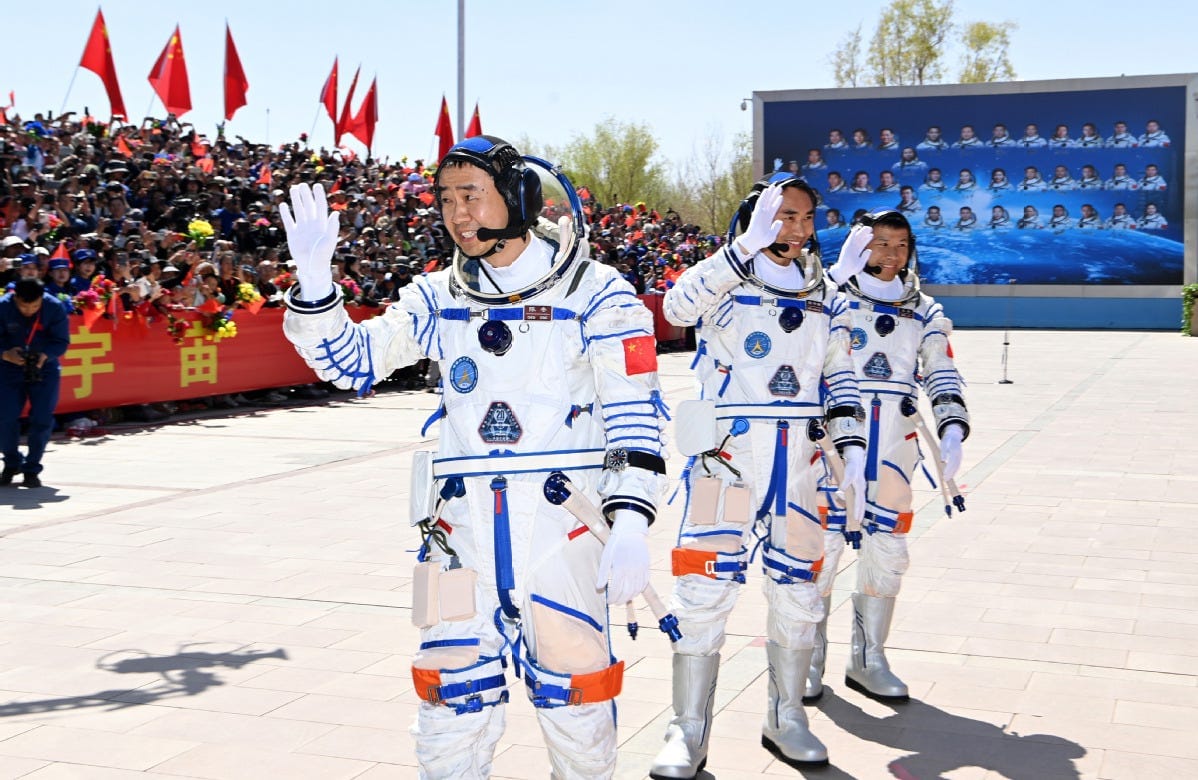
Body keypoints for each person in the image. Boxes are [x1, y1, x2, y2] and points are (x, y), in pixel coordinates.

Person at [280, 135, 667, 779]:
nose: (458, 214)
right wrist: (317, 285)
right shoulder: (437, 297)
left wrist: (630, 521)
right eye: (446, 199)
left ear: (517, 198)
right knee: (447, 716)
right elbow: (351, 363)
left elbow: (634, 411)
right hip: (459, 539)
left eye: (472, 196)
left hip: (561, 531)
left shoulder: (597, 293)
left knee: (578, 715)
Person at [650, 174, 866, 775]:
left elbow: (840, 373)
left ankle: (786, 716)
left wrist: (849, 448)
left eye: (804, 219)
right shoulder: (725, 277)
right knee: (701, 594)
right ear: (756, 219)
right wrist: (740, 250)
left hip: (799, 463)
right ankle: (686, 731)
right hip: (727, 461)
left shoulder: (826, 291)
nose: (794, 230)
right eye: (783, 216)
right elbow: (673, 309)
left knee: (799, 592)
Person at [810, 210, 969, 705]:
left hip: (896, 446)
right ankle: (808, 656)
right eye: (881, 244)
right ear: (861, 245)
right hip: (833, 447)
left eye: (901, 245)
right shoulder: (828, 300)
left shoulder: (924, 310)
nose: (891, 255)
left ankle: (868, 658)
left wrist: (952, 426)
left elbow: (941, 368)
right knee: (818, 552)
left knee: (888, 553)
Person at [1, 278, 71, 488]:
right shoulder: (3, 307)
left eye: (35, 306)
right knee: (5, 418)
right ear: (15, 298)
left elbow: (61, 341)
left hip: (44, 369)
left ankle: (32, 468)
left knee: (42, 419)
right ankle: (12, 462)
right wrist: (5, 354)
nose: (29, 311)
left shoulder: (54, 307)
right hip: (8, 369)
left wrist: (45, 355)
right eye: (24, 306)